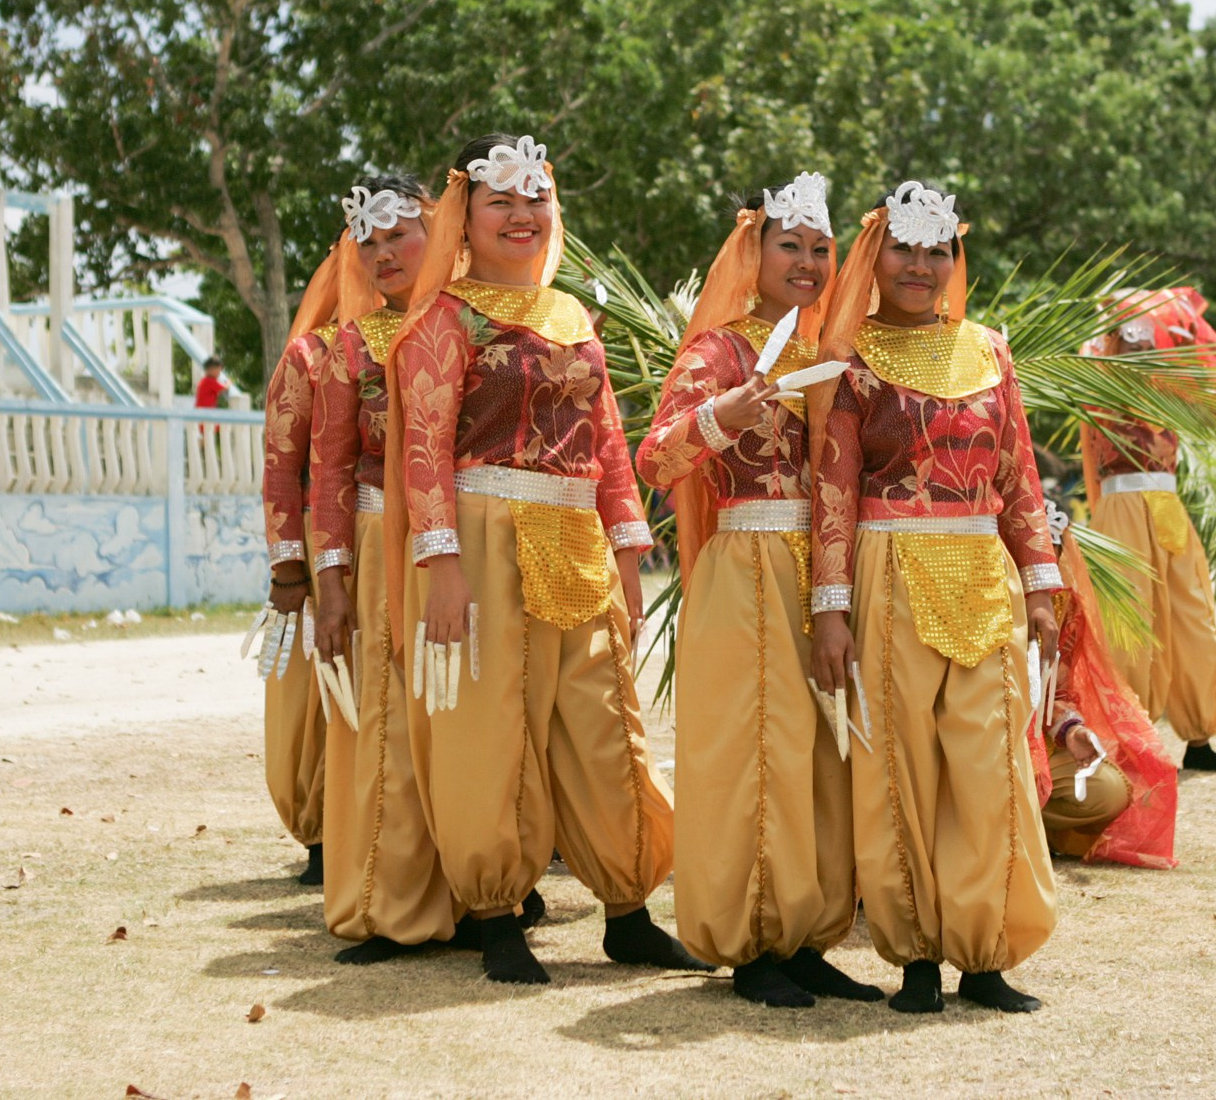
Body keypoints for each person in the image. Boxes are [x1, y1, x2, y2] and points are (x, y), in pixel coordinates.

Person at [395, 134, 694, 985]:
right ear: (466, 214)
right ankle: (495, 915)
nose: (522, 215)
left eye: (536, 198)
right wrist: (441, 566)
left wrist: (631, 551)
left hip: (576, 544)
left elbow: (604, 440)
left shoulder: (571, 316)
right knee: (488, 729)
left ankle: (628, 910)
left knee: (603, 729)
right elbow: (423, 448)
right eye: (502, 200)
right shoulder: (442, 321)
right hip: (483, 540)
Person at [808, 180, 1060, 1015]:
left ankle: (984, 958)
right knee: (898, 769)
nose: (921, 265)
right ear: (875, 255)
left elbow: (1019, 477)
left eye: (938, 248)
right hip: (888, 574)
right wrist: (831, 610)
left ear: (956, 256)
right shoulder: (849, 360)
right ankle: (915, 958)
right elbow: (833, 489)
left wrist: (1043, 587)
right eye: (905, 247)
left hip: (982, 573)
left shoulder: (991, 348)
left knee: (990, 768)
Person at [636, 175, 881, 1009]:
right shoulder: (716, 352)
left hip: (828, 570)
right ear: (754, 250)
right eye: (791, 245)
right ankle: (753, 941)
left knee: (822, 754)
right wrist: (722, 418)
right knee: (757, 752)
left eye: (821, 248)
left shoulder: (831, 354)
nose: (809, 262)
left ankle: (810, 936)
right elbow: (654, 460)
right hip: (746, 565)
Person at [307, 172, 492, 958]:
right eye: (369, 242)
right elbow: (326, 472)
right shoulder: (351, 345)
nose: (384, 254)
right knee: (386, 716)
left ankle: (486, 890)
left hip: (476, 546)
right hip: (387, 549)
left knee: (468, 719)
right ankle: (391, 904)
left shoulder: (488, 323)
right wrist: (328, 581)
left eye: (399, 235)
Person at [257, 187, 387, 889]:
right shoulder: (311, 356)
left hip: (395, 534)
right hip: (319, 543)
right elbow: (283, 467)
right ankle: (321, 833)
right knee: (319, 688)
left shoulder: (429, 338)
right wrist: (291, 570)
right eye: (369, 247)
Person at [1080, 290, 1216, 772]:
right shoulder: (1100, 373)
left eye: (1145, 334)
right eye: (1129, 335)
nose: (1137, 343)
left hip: (1167, 504)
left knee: (1193, 617)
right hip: (1122, 507)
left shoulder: (1167, 380)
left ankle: (1199, 740)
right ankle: (1133, 737)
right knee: (1131, 623)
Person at [1038, 513, 1180, 868]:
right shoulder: (984, 600)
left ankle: (1030, 828)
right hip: (985, 747)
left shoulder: (1064, 608)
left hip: (1036, 750)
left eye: (1052, 553)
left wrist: (1070, 730)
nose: (1043, 565)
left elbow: (1058, 695)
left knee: (1107, 792)